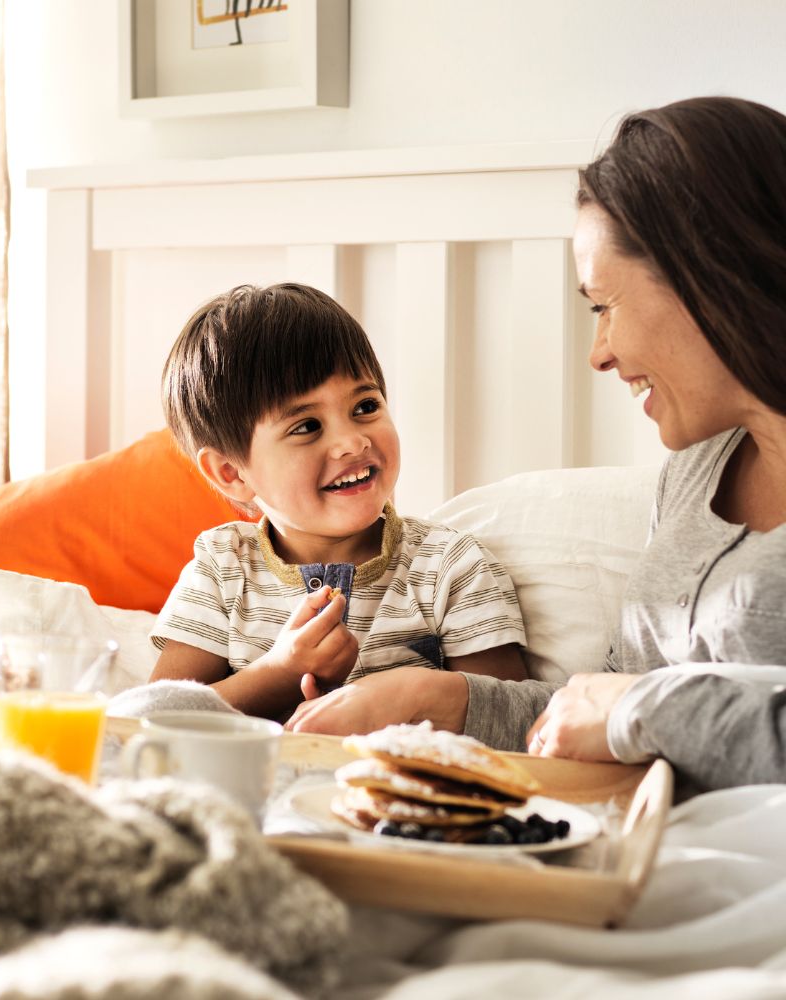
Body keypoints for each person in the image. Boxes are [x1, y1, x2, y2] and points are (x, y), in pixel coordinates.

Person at [287, 96, 786, 791]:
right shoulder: (695, 476)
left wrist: (639, 707)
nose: (599, 353)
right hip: (632, 857)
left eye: (604, 306)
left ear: (710, 275)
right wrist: (439, 700)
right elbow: (602, 716)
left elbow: (637, 711)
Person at [149, 282, 527, 721]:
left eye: (365, 406)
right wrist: (280, 672)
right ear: (232, 474)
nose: (352, 441)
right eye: (307, 426)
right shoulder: (221, 568)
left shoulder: (450, 566)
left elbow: (509, 723)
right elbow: (155, 718)